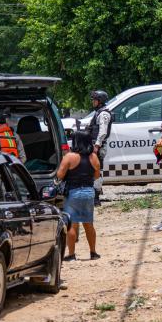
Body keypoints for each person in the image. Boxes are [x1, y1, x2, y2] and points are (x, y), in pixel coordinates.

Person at [56, 131, 101, 261]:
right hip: (89, 192)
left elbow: (59, 175)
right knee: (88, 223)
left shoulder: (70, 157)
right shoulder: (94, 157)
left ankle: (71, 255)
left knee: (72, 224)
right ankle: (93, 253)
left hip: (73, 192)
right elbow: (97, 176)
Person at [85, 90, 112, 206]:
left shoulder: (104, 114)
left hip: (98, 147)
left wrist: (97, 145)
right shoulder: (98, 113)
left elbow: (102, 132)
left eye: (94, 100)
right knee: (93, 170)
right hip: (95, 145)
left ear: (100, 101)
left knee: (97, 171)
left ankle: (96, 198)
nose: (93, 102)